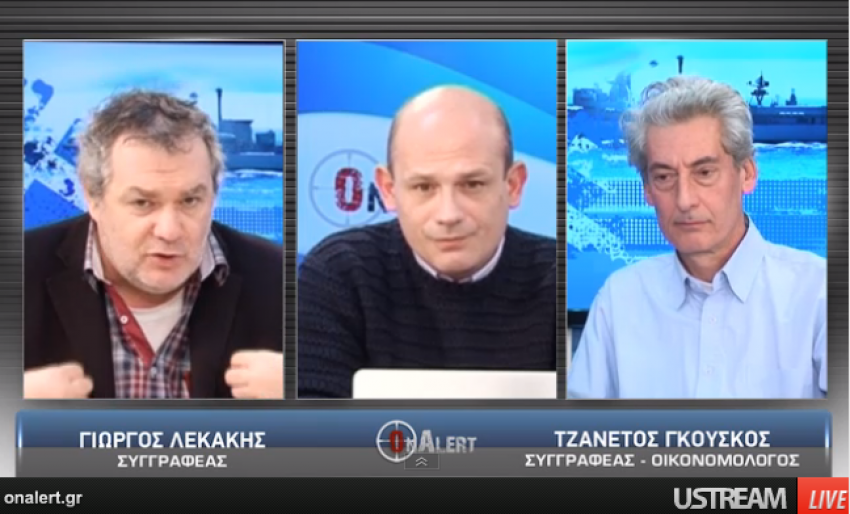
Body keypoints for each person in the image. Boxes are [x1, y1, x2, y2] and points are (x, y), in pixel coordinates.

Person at [567, 76, 826, 399]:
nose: (685, 200)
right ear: (647, 189)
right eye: (664, 176)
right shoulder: (617, 302)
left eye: (704, 173)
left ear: (747, 174)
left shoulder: (819, 295)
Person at [298, 85, 557, 398]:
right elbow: (315, 425)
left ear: (513, 185)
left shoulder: (560, 279)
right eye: (423, 187)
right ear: (389, 190)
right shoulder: (338, 273)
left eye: (473, 184)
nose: (448, 215)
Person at [24, 90, 284, 399]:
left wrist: (296, 405)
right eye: (143, 203)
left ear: (214, 195)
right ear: (92, 197)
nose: (169, 231)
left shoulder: (277, 278)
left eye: (190, 201)